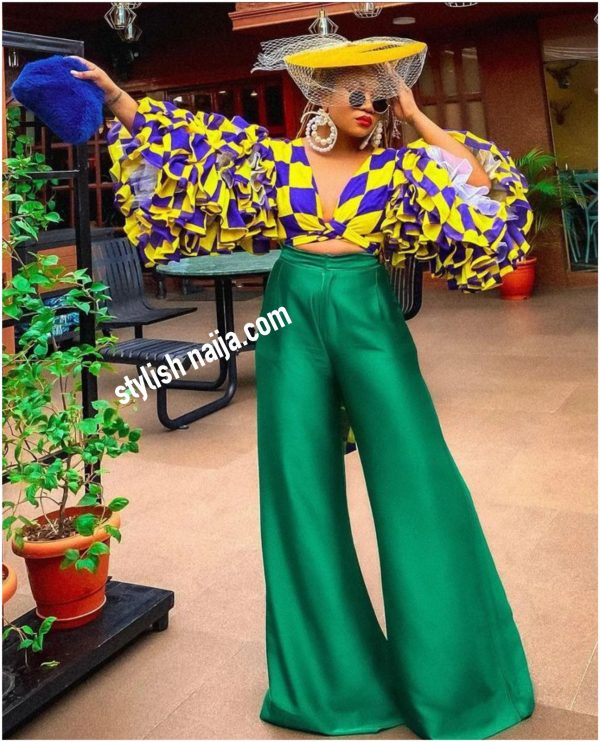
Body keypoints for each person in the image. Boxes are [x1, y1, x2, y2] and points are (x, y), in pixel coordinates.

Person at [68, 33, 535, 740]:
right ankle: (331, 688)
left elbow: (476, 183)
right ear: (320, 97)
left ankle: (456, 681)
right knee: (298, 489)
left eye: (379, 96)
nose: (369, 105)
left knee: (418, 478)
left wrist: (415, 114)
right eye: (357, 93)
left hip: (367, 312)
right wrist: (115, 97)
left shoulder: (401, 167)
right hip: (291, 314)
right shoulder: (277, 161)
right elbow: (189, 147)